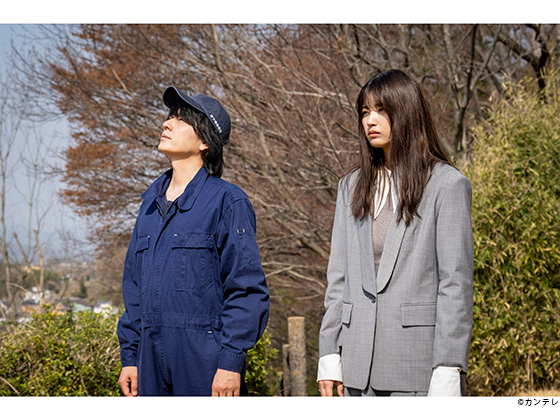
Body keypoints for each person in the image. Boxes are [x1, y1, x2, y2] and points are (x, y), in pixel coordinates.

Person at [317, 69, 474, 397]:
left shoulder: (446, 185)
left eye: (381, 110)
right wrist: (329, 352)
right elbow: (338, 276)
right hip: (356, 368)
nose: (370, 120)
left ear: (405, 112)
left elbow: (455, 283)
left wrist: (448, 365)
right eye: (365, 112)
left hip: (417, 368)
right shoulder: (351, 186)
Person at [117, 86, 270, 396]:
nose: (166, 124)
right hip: (148, 361)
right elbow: (134, 289)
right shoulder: (149, 206)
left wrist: (230, 362)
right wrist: (130, 356)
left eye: (180, 119)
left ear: (204, 142)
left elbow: (246, 289)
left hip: (204, 360)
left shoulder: (227, 202)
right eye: (169, 117)